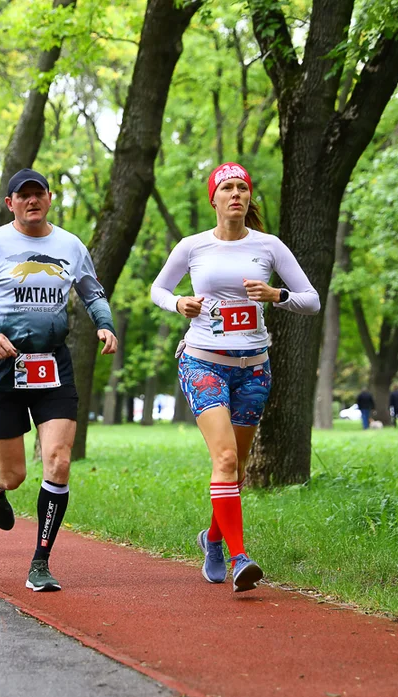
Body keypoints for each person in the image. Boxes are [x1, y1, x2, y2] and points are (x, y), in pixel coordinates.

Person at [0, 168, 118, 592]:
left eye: (38, 193)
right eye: (23, 196)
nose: (31, 200)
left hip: (53, 364)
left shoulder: (71, 246)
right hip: (3, 367)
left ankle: (40, 561)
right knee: (14, 475)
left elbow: (92, 291)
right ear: (10, 204)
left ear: (50, 198)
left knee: (58, 461)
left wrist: (105, 324)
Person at [150, 162, 320, 592]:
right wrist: (179, 304)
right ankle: (239, 556)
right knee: (224, 459)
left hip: (254, 368)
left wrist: (275, 295)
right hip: (203, 360)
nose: (236, 194)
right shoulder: (192, 247)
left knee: (237, 467)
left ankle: (211, 538)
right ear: (214, 198)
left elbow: (311, 300)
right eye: (227, 187)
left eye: (242, 187)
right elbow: (158, 290)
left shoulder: (269, 246)